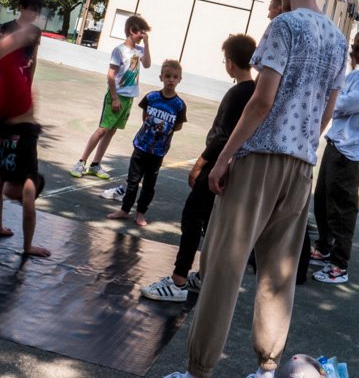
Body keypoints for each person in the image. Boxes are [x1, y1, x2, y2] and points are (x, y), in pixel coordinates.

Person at [165, 0, 346, 378]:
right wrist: (302, 145)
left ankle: (198, 370)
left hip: (259, 162)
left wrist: (224, 158)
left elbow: (261, 100)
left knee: (223, 265)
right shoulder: (338, 39)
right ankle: (267, 369)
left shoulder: (284, 26)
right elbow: (327, 111)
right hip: (301, 167)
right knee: (277, 275)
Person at [141, 34, 256, 303]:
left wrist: (200, 164)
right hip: (231, 166)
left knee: (192, 217)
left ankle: (178, 280)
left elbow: (222, 136)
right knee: (210, 222)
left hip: (217, 164)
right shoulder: (253, 91)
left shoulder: (239, 93)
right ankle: (203, 275)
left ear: (230, 63)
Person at [309, 29, 359, 285]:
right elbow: (335, 95)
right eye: (353, 47)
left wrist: (337, 100)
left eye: (358, 49)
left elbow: (340, 104)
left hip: (349, 154)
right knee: (322, 201)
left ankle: (339, 265)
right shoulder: (356, 75)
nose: (353, 53)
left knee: (342, 211)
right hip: (335, 145)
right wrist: (336, 99)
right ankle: (324, 247)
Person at [0, 20, 50, 258]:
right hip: (23, 118)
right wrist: (27, 247)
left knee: (6, 68)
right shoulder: (28, 177)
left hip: (4, 118)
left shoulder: (3, 172)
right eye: (18, 199)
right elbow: (29, 214)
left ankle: (18, 44)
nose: (9, 198)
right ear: (26, 193)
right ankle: (25, 39)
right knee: (14, 69)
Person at [70, 15, 151, 179]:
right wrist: (114, 98)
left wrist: (147, 44)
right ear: (132, 30)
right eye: (141, 32)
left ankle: (95, 164)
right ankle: (81, 162)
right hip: (117, 96)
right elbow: (110, 76)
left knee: (111, 131)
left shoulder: (139, 50)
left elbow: (147, 64)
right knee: (102, 129)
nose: (143, 36)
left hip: (128, 98)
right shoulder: (119, 50)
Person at [107, 59, 186, 226]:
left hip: (158, 151)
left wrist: (163, 130)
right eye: (167, 76)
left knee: (149, 185)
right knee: (133, 181)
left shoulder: (179, 105)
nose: (171, 80)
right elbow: (145, 118)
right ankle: (125, 210)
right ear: (161, 77)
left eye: (175, 77)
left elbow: (178, 126)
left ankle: (141, 213)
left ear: (180, 79)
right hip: (141, 146)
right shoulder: (151, 97)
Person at [0, 0, 42, 172]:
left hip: (21, 79)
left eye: (36, 11)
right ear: (21, 8)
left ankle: (2, 153)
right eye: (31, 9)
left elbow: (34, 58)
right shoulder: (8, 27)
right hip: (4, 77)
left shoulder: (35, 32)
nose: (34, 14)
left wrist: (29, 81)